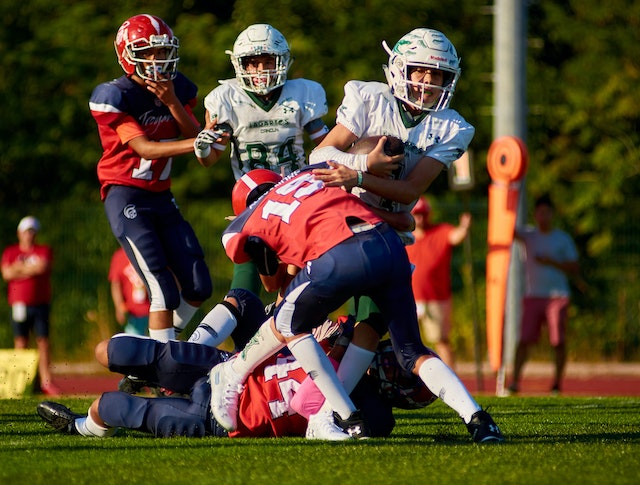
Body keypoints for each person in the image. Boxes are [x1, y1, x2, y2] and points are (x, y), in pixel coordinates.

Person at [210, 166, 504, 443]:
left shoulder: (245, 221)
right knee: (411, 352)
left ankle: (241, 376)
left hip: (340, 255)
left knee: (287, 323)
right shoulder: (311, 172)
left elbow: (269, 281)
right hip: (388, 247)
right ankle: (478, 420)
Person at [35, 302, 406, 440]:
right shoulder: (345, 329)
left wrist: (337, 348)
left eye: (396, 371)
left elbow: (311, 399)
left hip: (223, 418)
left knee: (109, 407)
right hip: (223, 369)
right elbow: (362, 324)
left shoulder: (364, 409)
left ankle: (79, 427)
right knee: (113, 348)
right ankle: (148, 374)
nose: (386, 364)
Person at [89, 14, 212, 341]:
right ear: (127, 55)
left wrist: (171, 101)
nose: (157, 60)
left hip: (161, 196)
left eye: (162, 51)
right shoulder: (116, 95)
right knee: (162, 288)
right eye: (148, 52)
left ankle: (153, 356)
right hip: (127, 195)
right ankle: (162, 372)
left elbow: (193, 131)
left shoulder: (180, 87)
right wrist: (195, 143)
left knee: (199, 285)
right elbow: (144, 148)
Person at [192, 23, 329, 295]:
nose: (261, 70)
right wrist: (202, 149)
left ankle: (283, 327)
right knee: (246, 287)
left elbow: (326, 146)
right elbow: (210, 159)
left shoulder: (301, 94)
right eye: (253, 64)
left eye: (268, 62)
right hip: (252, 202)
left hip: (296, 197)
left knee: (295, 284)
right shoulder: (227, 99)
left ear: (282, 61)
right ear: (240, 64)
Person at [508, 194, 580, 394]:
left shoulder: (562, 238)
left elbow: (575, 266)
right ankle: (515, 381)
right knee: (524, 340)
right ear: (535, 215)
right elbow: (507, 230)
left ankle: (557, 382)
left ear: (552, 214)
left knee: (557, 340)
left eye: (547, 213)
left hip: (557, 296)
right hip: (533, 296)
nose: (543, 217)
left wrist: (551, 262)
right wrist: (508, 197)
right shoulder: (530, 235)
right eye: (540, 213)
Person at [404, 196, 471, 367]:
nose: (419, 218)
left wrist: (464, 226)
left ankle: (451, 379)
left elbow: (456, 236)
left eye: (422, 214)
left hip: (436, 298)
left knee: (441, 340)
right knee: (405, 342)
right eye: (416, 214)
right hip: (410, 298)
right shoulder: (405, 236)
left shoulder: (441, 231)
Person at [1, 216, 58, 396]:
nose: (29, 235)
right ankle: (23, 381)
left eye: (32, 231)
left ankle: (46, 381)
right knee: (20, 341)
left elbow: (42, 267)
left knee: (43, 341)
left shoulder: (43, 250)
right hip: (18, 304)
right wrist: (28, 269)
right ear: (19, 233)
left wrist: (19, 269)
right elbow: (7, 273)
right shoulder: (10, 252)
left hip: (40, 303)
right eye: (26, 231)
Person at [108, 247, 150, 336]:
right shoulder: (119, 256)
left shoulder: (149, 250)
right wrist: (119, 307)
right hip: (132, 313)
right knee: (135, 343)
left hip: (155, 310)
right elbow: (116, 284)